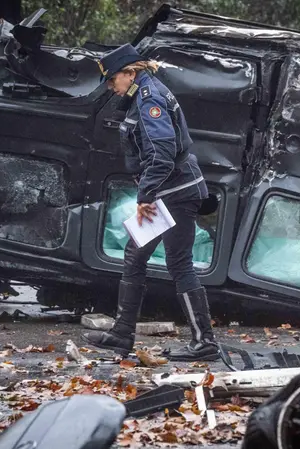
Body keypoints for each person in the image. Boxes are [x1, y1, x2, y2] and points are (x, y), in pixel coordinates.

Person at [82, 44, 219, 362]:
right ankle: (123, 334)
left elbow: (162, 154)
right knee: (138, 255)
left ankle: (204, 342)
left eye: (113, 79)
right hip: (170, 192)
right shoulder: (143, 94)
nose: (111, 86)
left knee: (176, 262)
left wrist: (145, 196)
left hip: (176, 192)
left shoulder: (149, 98)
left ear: (130, 73)